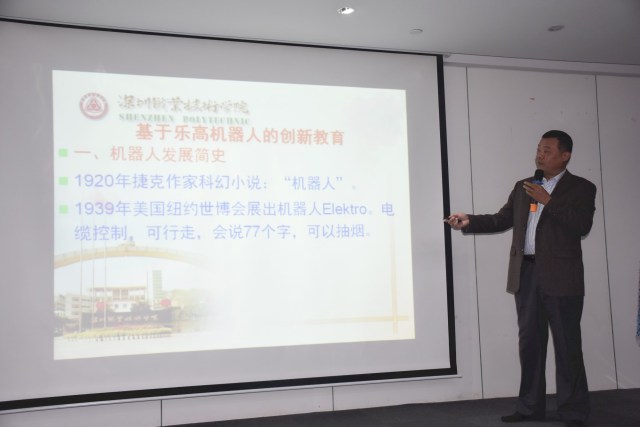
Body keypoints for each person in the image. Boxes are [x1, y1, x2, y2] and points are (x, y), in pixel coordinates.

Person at [446, 130, 596, 427]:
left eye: (547, 150)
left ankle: (573, 410)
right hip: (526, 274)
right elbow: (502, 219)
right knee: (530, 344)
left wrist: (548, 201)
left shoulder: (581, 187)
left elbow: (582, 225)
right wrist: (470, 221)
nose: (540, 154)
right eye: (539, 149)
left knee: (567, 346)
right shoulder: (524, 186)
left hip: (562, 278)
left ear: (565, 155)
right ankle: (530, 407)